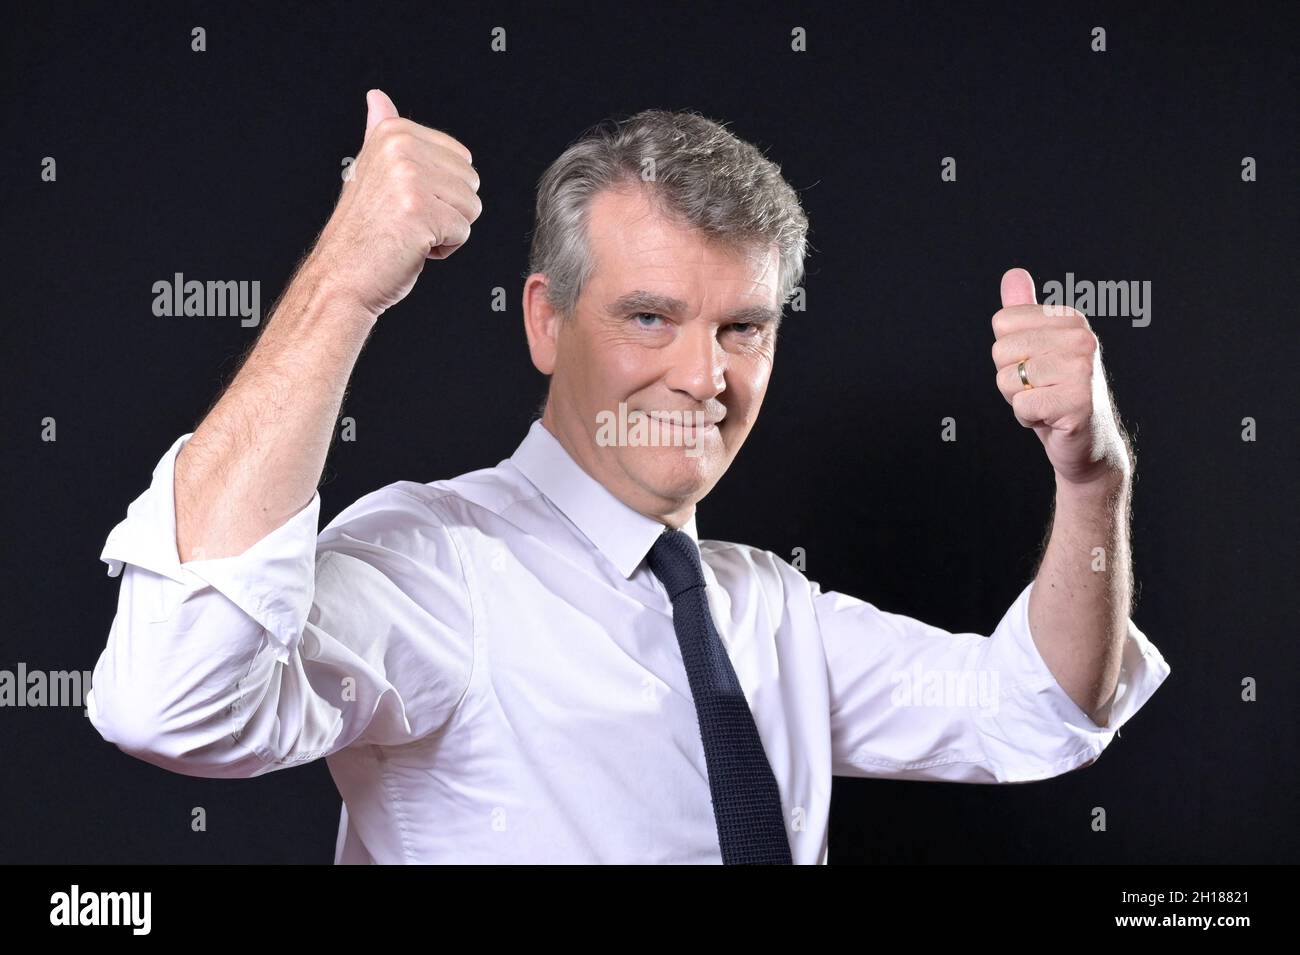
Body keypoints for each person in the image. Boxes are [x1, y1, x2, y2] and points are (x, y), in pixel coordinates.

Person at [88, 90, 1170, 864]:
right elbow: (173, 700)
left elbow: (1039, 707)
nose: (703, 375)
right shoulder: (440, 568)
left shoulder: (769, 612)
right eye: (649, 316)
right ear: (546, 322)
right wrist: (342, 288)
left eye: (741, 326)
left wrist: (1091, 477)